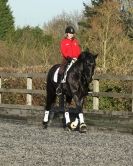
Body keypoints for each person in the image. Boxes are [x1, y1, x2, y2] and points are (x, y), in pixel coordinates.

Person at [56, 26, 81, 95]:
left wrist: (79, 57)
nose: (71, 35)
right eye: (70, 33)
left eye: (72, 34)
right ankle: (58, 87)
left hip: (76, 59)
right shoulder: (64, 42)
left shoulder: (75, 41)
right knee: (61, 70)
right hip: (67, 59)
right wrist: (68, 57)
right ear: (67, 34)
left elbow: (78, 50)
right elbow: (63, 51)